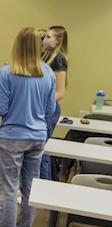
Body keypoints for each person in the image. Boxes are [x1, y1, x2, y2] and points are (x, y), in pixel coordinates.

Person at [0, 27, 55, 227]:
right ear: (38, 47)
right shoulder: (48, 73)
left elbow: (0, 109)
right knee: (30, 187)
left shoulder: (6, 71)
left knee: (10, 189)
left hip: (13, 137)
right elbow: (50, 109)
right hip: (38, 137)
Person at [40, 26, 68, 180]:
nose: (45, 40)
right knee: (36, 150)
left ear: (59, 41)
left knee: (40, 150)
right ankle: (33, 185)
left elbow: (60, 92)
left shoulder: (59, 59)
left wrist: (41, 103)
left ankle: (41, 187)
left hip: (48, 110)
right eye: (44, 37)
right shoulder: (46, 57)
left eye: (49, 37)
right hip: (42, 109)